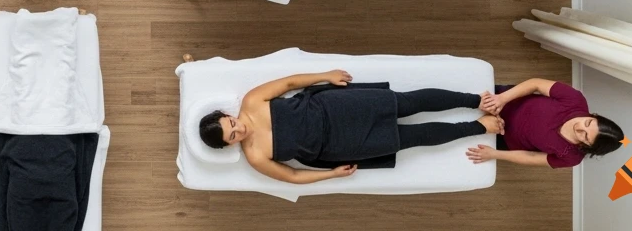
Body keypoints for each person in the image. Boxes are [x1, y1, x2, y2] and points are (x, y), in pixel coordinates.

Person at [198, 70, 501, 184]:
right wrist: (330, 174)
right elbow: (290, 175)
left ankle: (476, 100)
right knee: (413, 136)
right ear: (230, 145)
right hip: (340, 145)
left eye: (232, 124)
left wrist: (324, 76)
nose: (240, 131)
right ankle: (476, 127)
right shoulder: (254, 156)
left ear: (228, 114)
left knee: (408, 102)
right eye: (234, 136)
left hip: (337, 107)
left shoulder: (252, 101)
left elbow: (289, 83)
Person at [469, 79, 624, 168]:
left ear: (588, 146)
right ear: (594, 116)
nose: (580, 127)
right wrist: (501, 99)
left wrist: (494, 154)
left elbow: (531, 157)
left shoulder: (571, 157)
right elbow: (535, 84)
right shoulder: (575, 100)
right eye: (588, 122)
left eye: (585, 136)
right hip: (503, 99)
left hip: (500, 137)